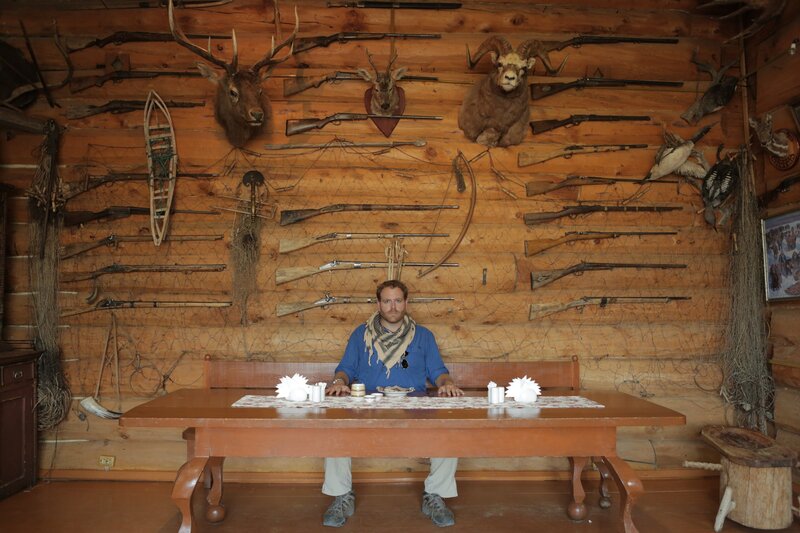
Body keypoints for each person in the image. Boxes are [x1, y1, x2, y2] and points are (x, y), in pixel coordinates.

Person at [323, 279, 463, 528]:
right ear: (378, 304)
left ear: (406, 302)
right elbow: (346, 368)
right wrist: (339, 381)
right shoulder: (360, 335)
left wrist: (447, 383)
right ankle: (341, 495)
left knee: (448, 432)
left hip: (414, 407)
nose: (393, 307)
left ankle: (435, 495)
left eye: (398, 301)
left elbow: (438, 371)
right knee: (336, 430)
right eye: (387, 301)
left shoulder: (423, 336)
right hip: (368, 407)